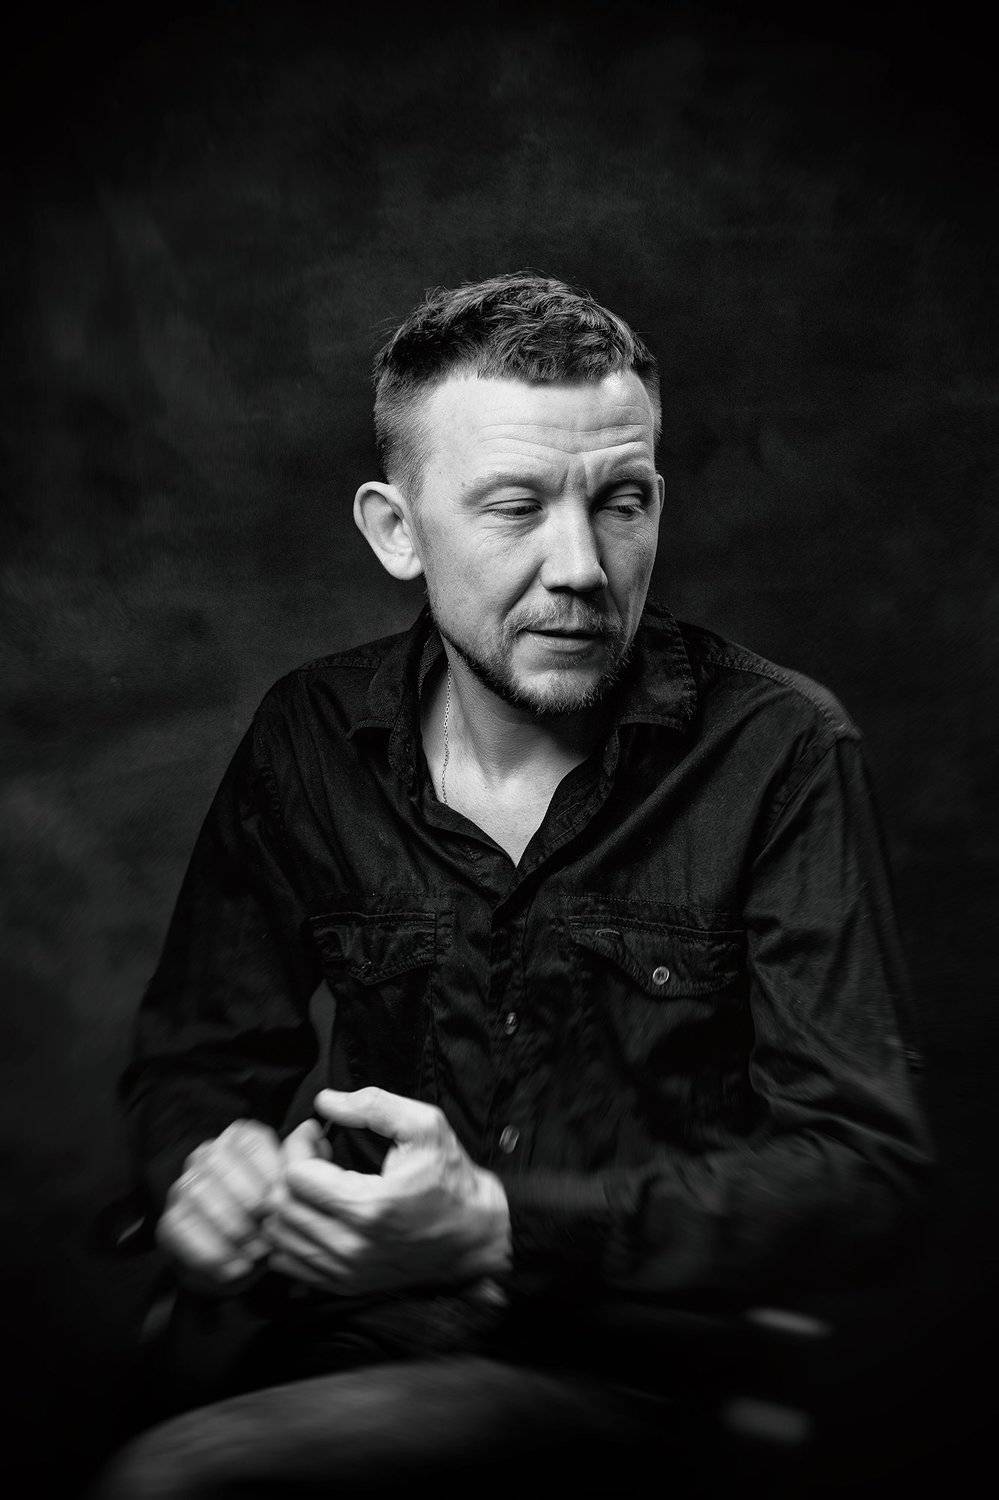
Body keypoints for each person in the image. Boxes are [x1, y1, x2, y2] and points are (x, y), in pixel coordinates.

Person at [98, 273, 932, 1496]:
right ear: (396, 531)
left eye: (621, 501)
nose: (582, 566)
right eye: (515, 506)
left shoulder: (781, 749)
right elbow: (197, 1062)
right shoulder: (309, 736)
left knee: (186, 1479)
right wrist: (203, 1171)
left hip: (640, 1370)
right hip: (346, 1335)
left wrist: (497, 1222)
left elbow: (866, 1173)